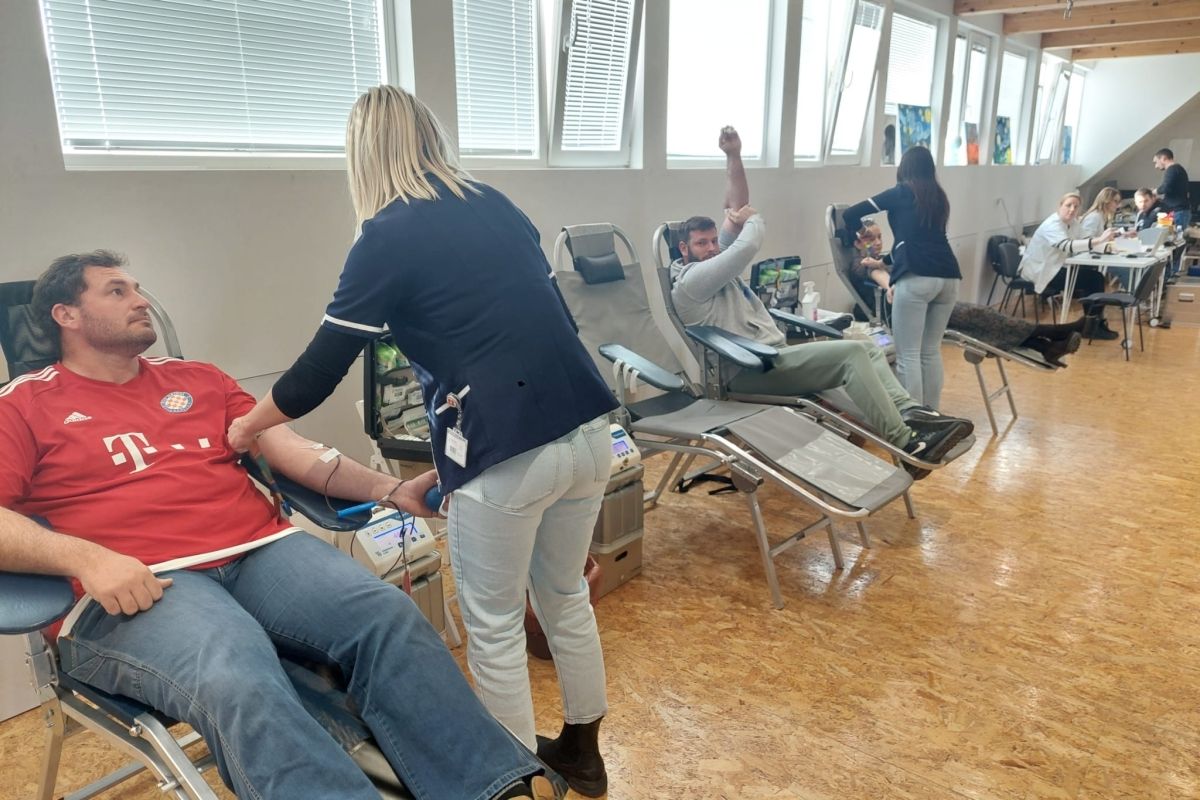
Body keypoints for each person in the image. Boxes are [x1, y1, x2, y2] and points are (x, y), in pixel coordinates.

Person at [0, 252, 556, 800]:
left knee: (385, 615)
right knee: (236, 670)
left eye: (138, 287)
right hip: (140, 582)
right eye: (117, 291)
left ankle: (489, 787)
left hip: (262, 551)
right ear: (66, 315)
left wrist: (389, 489)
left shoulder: (199, 378)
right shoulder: (23, 405)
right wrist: (88, 559)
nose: (141, 300)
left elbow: (290, 450)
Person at [225, 86, 616, 797]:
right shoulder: (495, 203)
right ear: (431, 136)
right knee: (564, 594)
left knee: (493, 624)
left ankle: (512, 781)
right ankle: (584, 754)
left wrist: (248, 426)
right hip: (589, 432)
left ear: (363, 153)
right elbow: (551, 319)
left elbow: (320, 368)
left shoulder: (385, 234)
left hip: (506, 450)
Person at [669, 127, 974, 478]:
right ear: (684, 249)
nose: (712, 248)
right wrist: (754, 220)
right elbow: (746, 244)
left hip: (773, 359)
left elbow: (735, 208)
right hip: (748, 371)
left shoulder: (714, 266)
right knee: (852, 354)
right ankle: (905, 443)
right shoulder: (691, 282)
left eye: (713, 241)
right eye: (702, 243)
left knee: (866, 347)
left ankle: (913, 415)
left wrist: (734, 156)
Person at [850, 221, 1085, 366]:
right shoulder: (860, 263)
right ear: (858, 243)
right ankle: (1054, 332)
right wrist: (891, 285)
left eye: (880, 236)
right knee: (978, 316)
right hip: (907, 314)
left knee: (980, 322)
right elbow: (878, 275)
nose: (877, 242)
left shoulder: (884, 258)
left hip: (924, 305)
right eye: (871, 238)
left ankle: (1045, 346)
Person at [841, 146, 961, 411]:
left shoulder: (901, 192)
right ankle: (933, 414)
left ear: (904, 168)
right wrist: (882, 263)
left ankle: (913, 419)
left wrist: (858, 233)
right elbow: (912, 244)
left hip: (917, 279)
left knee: (908, 356)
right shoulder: (939, 197)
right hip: (949, 277)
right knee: (930, 351)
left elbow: (850, 213)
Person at [1018, 192, 1120, 340]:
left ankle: (1093, 324)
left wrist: (1112, 243)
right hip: (1040, 271)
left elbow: (1087, 239)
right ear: (1060, 206)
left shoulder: (1072, 223)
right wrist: (1100, 241)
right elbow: (1067, 246)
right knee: (1094, 279)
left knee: (1095, 278)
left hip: (1055, 267)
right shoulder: (1052, 224)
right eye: (1068, 205)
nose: (1072, 209)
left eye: (1076, 207)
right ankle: (1092, 326)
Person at [1153, 147, 1191, 233]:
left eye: (1156, 162)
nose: (1156, 166)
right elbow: (1173, 191)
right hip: (1179, 211)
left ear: (1163, 158)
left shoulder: (1172, 170)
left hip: (1178, 212)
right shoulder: (1177, 169)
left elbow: (1166, 187)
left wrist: (1155, 191)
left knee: (1178, 237)